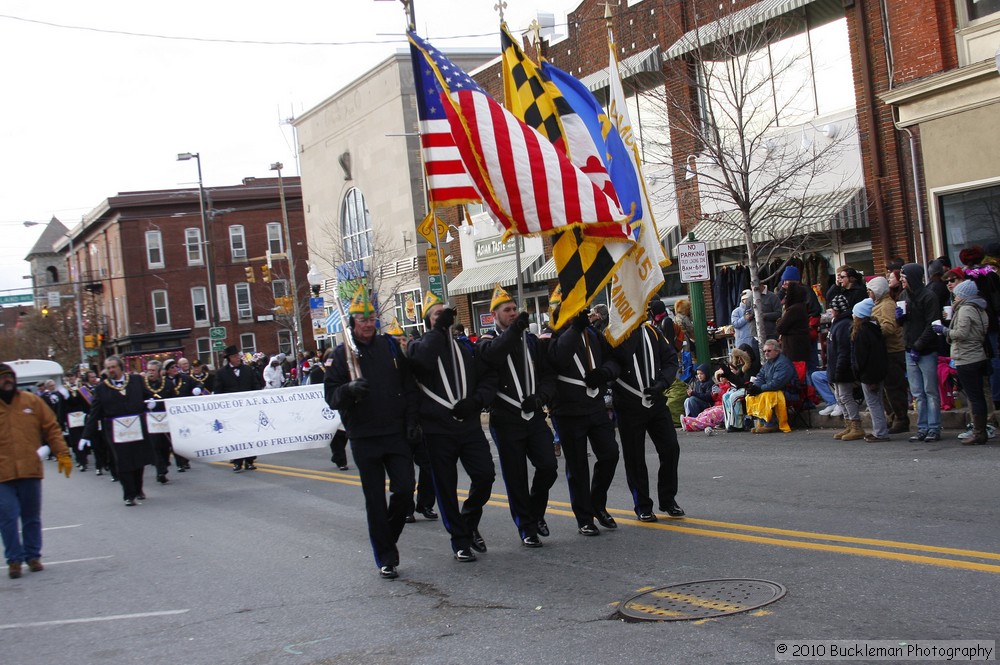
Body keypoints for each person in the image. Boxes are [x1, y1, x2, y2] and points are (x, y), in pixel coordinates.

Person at [324, 284, 419, 580]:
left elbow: (408, 385)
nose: (367, 324)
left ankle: (387, 537)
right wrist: (349, 390)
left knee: (404, 490)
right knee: (375, 499)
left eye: (371, 319)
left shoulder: (390, 347)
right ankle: (386, 557)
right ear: (352, 323)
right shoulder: (343, 355)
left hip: (395, 433)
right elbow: (331, 397)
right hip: (364, 437)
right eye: (361, 320)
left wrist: (412, 420)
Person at [408, 293, 496, 563]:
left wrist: (476, 401)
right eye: (436, 316)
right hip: (437, 430)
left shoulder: (465, 348)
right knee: (445, 487)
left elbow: (487, 377)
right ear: (427, 323)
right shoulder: (418, 345)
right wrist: (437, 330)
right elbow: (422, 361)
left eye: (445, 315)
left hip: (468, 426)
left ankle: (468, 520)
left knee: (485, 475)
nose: (443, 319)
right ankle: (460, 541)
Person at [477, 284, 558, 546]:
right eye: (507, 310)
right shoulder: (487, 341)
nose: (512, 313)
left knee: (548, 466)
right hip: (506, 418)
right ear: (495, 315)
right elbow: (495, 354)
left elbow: (547, 375)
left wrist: (541, 397)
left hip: (532, 416)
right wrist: (514, 329)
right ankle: (526, 527)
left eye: (514, 309)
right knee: (516, 477)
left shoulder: (531, 341)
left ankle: (535, 512)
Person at [548, 288, 621, 536]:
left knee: (610, 454)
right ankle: (584, 517)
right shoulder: (553, 335)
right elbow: (558, 358)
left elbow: (614, 360)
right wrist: (574, 329)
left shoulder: (591, 334)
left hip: (595, 406)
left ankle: (597, 504)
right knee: (578, 466)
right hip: (568, 411)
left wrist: (604, 373)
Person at [609, 301, 684, 521]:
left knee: (671, 448)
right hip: (629, 403)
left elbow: (670, 359)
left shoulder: (654, 331)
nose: (646, 311)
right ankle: (642, 504)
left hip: (656, 399)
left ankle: (668, 499)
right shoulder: (616, 334)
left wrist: (663, 383)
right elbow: (615, 361)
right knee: (635, 456)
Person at [0, 363, 73, 579]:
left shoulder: (31, 401)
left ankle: (33, 556)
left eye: (10, 377)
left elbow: (51, 427)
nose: (7, 381)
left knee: (31, 517)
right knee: (8, 516)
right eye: (3, 378)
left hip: (30, 469)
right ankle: (14, 559)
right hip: (2, 474)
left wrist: (63, 454)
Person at [81, 356, 156, 506]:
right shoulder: (102, 388)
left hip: (136, 426)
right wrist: (86, 436)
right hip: (116, 430)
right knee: (123, 461)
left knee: (138, 459)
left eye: (113, 367)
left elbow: (149, 395)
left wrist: (152, 401)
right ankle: (129, 494)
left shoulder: (136, 380)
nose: (111, 370)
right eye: (108, 368)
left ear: (120, 367)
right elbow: (95, 412)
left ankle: (138, 488)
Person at [938, 280, 991, 444]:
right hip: (977, 354)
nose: (955, 297)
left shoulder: (966, 309)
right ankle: (980, 430)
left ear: (964, 295)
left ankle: (978, 432)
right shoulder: (978, 307)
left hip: (967, 356)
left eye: (957, 294)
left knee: (974, 397)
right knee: (978, 395)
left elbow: (961, 333)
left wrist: (945, 330)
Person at [900, 263, 941, 442]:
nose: (901, 280)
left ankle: (934, 427)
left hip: (926, 350)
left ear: (912, 278)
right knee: (917, 392)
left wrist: (919, 345)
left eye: (904, 277)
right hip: (909, 349)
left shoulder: (929, 296)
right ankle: (922, 427)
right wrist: (900, 317)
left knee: (930, 390)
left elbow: (932, 324)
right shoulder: (903, 295)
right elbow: (904, 324)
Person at [867, 275, 909, 434]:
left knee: (894, 387)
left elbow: (890, 327)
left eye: (870, 290)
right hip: (883, 351)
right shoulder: (878, 304)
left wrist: (872, 330)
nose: (868, 293)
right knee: (885, 388)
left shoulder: (886, 306)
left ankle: (901, 418)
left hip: (893, 350)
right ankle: (891, 415)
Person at [214, 345, 264, 471]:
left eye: (238, 356)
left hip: (247, 409)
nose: (237, 358)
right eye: (235, 356)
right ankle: (237, 461)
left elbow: (256, 385)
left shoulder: (248, 370)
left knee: (249, 435)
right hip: (232, 411)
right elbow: (218, 392)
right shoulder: (221, 373)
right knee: (235, 436)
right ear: (229, 358)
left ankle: (249, 460)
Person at [851, 298, 891, 442]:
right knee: (877, 402)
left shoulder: (862, 333)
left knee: (873, 403)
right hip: (877, 372)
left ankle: (880, 432)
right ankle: (881, 429)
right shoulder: (875, 329)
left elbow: (861, 357)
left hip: (869, 374)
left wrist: (859, 372)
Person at [825, 295, 864, 441]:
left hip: (842, 368)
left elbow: (843, 351)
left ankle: (856, 425)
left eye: (832, 308)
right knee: (839, 397)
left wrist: (839, 370)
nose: (830, 311)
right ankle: (848, 424)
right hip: (835, 366)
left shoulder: (843, 325)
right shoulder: (837, 323)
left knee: (846, 396)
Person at [744, 339, 796, 433]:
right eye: (764, 351)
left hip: (789, 391)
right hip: (774, 390)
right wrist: (755, 387)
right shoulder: (768, 363)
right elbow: (760, 377)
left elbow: (777, 383)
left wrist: (760, 389)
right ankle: (763, 422)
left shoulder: (783, 363)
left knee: (765, 396)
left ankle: (771, 424)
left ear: (777, 351)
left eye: (769, 351)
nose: (766, 353)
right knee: (751, 396)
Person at [141, 360, 172, 484]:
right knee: (155, 446)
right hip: (150, 419)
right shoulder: (143, 384)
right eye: (149, 370)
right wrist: (146, 405)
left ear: (159, 372)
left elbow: (173, 399)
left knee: (165, 446)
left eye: (153, 370)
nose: (150, 373)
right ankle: (160, 470)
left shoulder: (168, 384)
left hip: (165, 418)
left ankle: (164, 464)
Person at [715, 344, 760, 431]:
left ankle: (737, 424)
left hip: (750, 389)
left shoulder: (754, 365)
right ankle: (729, 423)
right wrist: (729, 374)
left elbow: (744, 382)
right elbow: (738, 381)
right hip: (742, 387)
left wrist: (731, 375)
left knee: (734, 397)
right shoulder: (742, 367)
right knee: (726, 396)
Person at [776, 280, 811, 383]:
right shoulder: (802, 307)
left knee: (797, 374)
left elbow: (781, 327)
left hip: (793, 347)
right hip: (800, 345)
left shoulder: (793, 309)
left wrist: (779, 321)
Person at [162, 359, 193, 472]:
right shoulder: (163, 382)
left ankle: (185, 460)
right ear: (167, 371)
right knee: (174, 439)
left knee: (186, 437)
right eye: (172, 368)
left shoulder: (185, 378)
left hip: (184, 413)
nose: (175, 369)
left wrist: (197, 388)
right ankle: (180, 462)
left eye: (176, 367)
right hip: (171, 415)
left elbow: (196, 383)